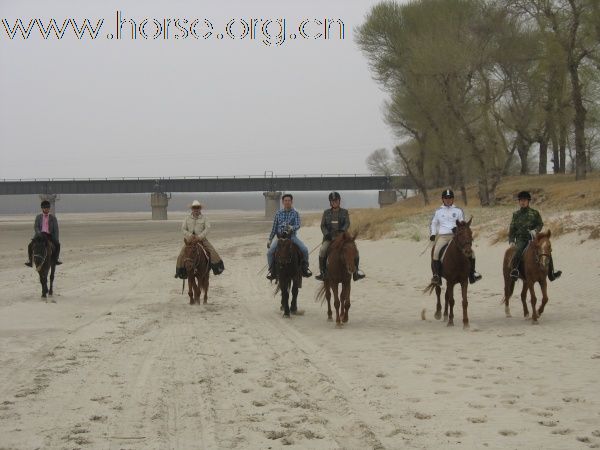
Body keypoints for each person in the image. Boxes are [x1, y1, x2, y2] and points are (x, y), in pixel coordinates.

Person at [429, 189, 481, 285]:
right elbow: (433, 223)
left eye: (450, 198)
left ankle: (472, 273)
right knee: (436, 252)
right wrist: (432, 233)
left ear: (453, 199)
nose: (448, 200)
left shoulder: (458, 210)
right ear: (443, 199)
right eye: (446, 198)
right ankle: (436, 276)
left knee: (472, 253)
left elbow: (462, 224)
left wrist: (458, 229)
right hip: (443, 237)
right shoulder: (438, 211)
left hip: (456, 236)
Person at [508, 191, 562, 281]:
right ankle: (515, 271)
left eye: (524, 200)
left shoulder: (535, 213)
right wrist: (512, 240)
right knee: (518, 251)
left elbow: (540, 224)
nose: (523, 202)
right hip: (521, 239)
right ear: (519, 202)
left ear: (528, 201)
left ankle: (551, 273)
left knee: (546, 251)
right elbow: (512, 228)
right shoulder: (516, 214)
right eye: (521, 200)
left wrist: (535, 230)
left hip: (534, 238)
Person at [315, 192, 365, 281]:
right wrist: (327, 234)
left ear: (339, 201)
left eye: (336, 200)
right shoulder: (326, 213)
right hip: (330, 237)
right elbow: (322, 225)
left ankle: (356, 271)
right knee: (323, 250)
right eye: (332, 201)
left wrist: (342, 231)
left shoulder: (344, 212)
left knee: (354, 249)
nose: (334, 202)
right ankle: (322, 272)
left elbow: (347, 223)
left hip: (343, 237)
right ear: (330, 202)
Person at [266, 194, 312, 280]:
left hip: (292, 237)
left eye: (289, 200)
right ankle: (272, 271)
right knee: (269, 253)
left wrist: (292, 227)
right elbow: (274, 227)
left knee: (304, 250)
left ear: (292, 201)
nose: (287, 202)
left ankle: (305, 269)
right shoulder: (278, 213)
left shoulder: (295, 213)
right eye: (285, 201)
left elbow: (298, 225)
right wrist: (270, 239)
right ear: (282, 202)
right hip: (280, 238)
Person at [174, 200, 224, 279]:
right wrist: (190, 235)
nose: (196, 209)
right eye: (194, 208)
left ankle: (217, 268)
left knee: (212, 251)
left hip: (202, 239)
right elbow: (183, 229)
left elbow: (207, 229)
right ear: (192, 209)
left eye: (197, 208)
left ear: (200, 209)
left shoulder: (204, 218)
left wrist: (199, 237)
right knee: (181, 254)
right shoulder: (187, 218)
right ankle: (180, 271)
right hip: (190, 240)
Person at [25, 200, 62, 267]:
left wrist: (56, 239)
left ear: (49, 208)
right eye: (44, 208)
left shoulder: (53, 218)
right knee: (30, 245)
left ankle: (56, 259)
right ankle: (30, 261)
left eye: (47, 208)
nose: (46, 209)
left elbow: (56, 230)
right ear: (42, 208)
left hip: (49, 235)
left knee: (58, 245)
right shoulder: (38, 217)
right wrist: (39, 233)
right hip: (40, 235)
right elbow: (36, 226)